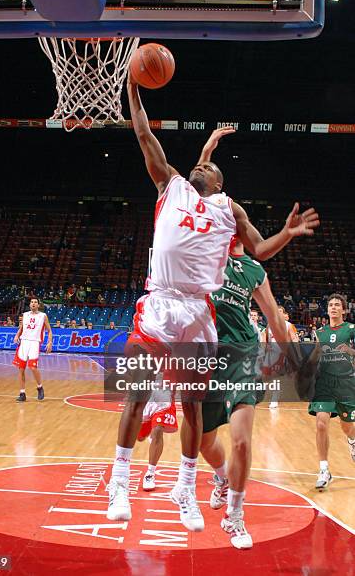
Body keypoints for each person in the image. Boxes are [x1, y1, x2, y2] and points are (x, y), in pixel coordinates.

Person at [106, 73, 320, 531]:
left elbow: (260, 250)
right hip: (160, 302)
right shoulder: (173, 185)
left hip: (198, 311)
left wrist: (289, 232)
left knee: (192, 404)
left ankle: (187, 486)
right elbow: (144, 133)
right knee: (136, 394)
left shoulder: (229, 210)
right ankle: (119, 480)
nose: (199, 168)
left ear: (220, 183)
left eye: (207, 168)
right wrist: (133, 88)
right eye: (199, 165)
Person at [200, 236, 289, 549]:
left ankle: (234, 515)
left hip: (244, 356)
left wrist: (293, 357)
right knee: (203, 440)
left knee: (241, 440)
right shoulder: (203, 252)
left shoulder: (254, 269)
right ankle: (222, 477)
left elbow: (274, 316)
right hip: (206, 357)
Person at [306, 294, 355, 490]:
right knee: (321, 423)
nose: (333, 308)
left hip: (346, 384)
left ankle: (352, 440)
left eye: (337, 305)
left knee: (348, 427)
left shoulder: (351, 329)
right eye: (331, 305)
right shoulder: (320, 332)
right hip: (325, 383)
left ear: (344, 310)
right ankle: (324, 469)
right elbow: (315, 356)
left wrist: (350, 351)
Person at [137, 373, 178, 491]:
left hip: (164, 395)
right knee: (140, 437)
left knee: (158, 429)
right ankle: (151, 426)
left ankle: (150, 473)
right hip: (145, 394)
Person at [12, 297, 53, 402]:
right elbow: (21, 328)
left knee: (33, 367)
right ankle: (22, 393)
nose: (33, 303)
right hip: (24, 342)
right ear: (29, 304)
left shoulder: (43, 316)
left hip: (35, 342)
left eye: (35, 302)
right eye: (32, 302)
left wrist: (50, 342)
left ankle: (40, 387)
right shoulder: (25, 315)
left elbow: (49, 330)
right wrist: (17, 336)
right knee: (21, 369)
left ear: (38, 305)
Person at [263, 306, 299, 408]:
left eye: (280, 312)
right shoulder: (269, 325)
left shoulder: (288, 325)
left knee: (276, 376)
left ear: (284, 314)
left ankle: (274, 399)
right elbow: (266, 340)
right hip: (270, 354)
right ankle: (268, 396)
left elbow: (294, 339)